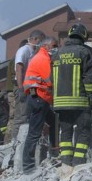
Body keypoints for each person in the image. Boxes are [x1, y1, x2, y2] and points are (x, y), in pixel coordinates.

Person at [52, 23, 92, 166]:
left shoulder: (57, 53)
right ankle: (78, 163)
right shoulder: (84, 52)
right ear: (84, 36)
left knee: (65, 133)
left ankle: (65, 162)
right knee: (84, 131)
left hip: (60, 103)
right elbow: (89, 79)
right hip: (80, 102)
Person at [22, 37, 59, 173]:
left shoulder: (41, 57)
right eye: (54, 45)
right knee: (34, 133)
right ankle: (28, 167)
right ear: (46, 46)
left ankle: (54, 153)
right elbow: (50, 81)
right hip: (39, 98)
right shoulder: (43, 59)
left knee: (54, 121)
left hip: (37, 97)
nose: (56, 48)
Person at [9, 29, 45, 142]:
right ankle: (14, 143)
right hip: (22, 86)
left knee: (31, 113)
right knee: (21, 116)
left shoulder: (34, 53)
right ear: (35, 39)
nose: (41, 44)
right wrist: (20, 89)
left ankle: (25, 140)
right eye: (41, 40)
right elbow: (19, 70)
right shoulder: (24, 50)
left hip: (31, 87)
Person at [4, 39, 28, 143]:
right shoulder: (17, 58)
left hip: (12, 90)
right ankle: (9, 141)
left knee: (15, 116)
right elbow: (17, 73)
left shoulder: (15, 57)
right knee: (14, 117)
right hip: (13, 91)